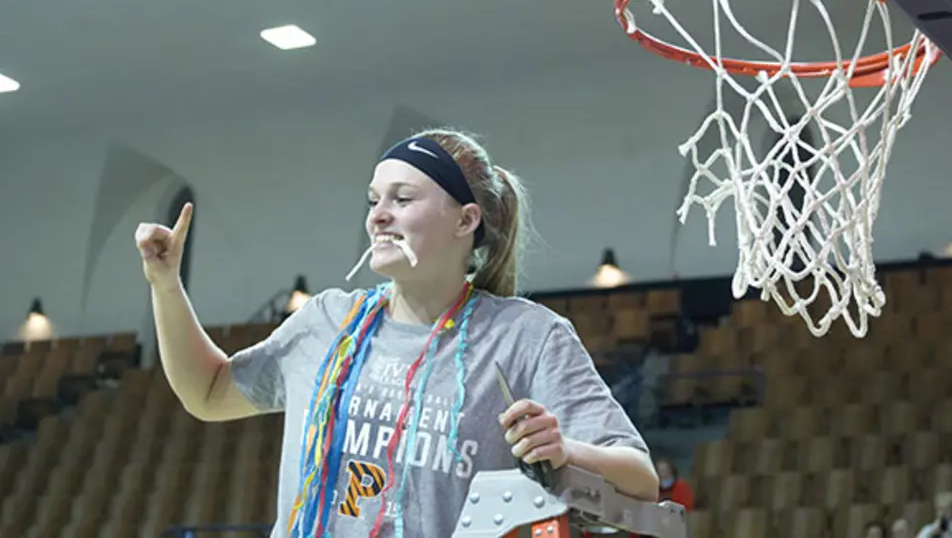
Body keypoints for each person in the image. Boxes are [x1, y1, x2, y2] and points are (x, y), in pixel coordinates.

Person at [135, 129, 661, 538]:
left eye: (402, 199)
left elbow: (642, 479)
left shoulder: (528, 335)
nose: (378, 217)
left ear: (465, 220)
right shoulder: (327, 322)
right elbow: (206, 393)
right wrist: (164, 284)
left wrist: (566, 449)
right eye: (373, 200)